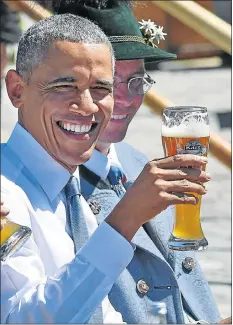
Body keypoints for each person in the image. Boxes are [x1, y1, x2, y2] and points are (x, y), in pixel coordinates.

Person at [53, 0, 223, 324]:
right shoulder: (55, 185)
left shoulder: (134, 160)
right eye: (111, 81)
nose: (127, 98)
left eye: (137, 81)